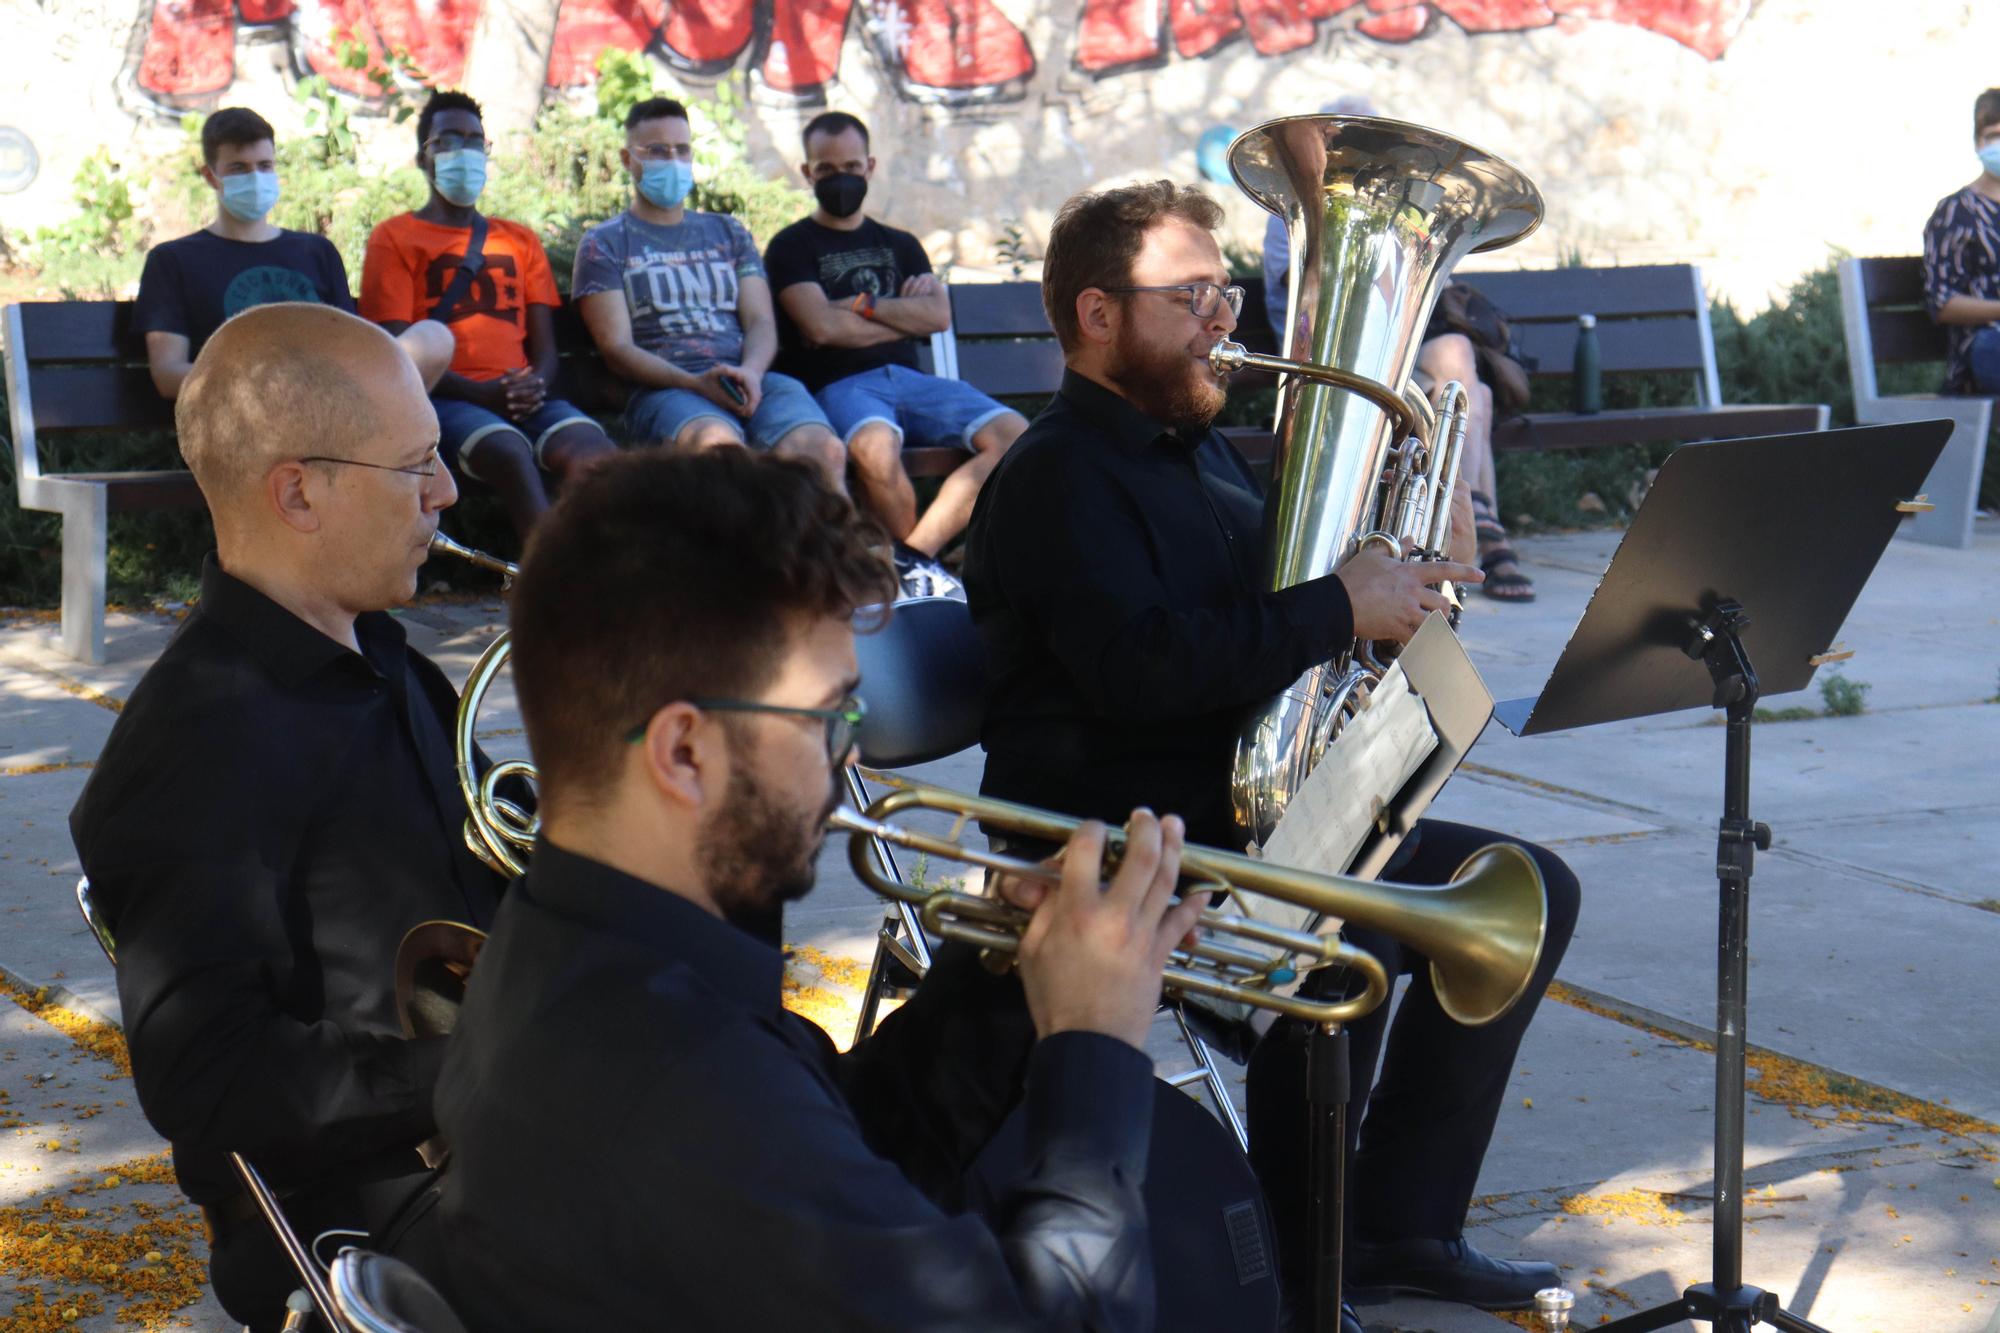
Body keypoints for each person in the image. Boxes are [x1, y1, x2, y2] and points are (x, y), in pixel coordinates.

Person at [963, 179, 1582, 1319]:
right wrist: (1337, 609)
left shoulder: (1194, 453)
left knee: (1526, 888)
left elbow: (1271, 615)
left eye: (1227, 292)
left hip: (1233, 810)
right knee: (1349, 939)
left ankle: (1400, 1227)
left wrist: (1389, 594)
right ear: (1097, 314)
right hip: (1114, 832)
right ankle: (1301, 1278)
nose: (1224, 320)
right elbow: (1138, 669)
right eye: (1191, 295)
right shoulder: (1054, 474)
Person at [428, 447, 1211, 1329]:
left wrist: (1004, 974)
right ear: (684, 751)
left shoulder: (572, 944)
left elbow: (850, 1143)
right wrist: (1095, 1045)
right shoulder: (686, 1083)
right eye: (831, 715)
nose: (852, 750)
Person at [67, 303, 509, 1331]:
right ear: (299, 491)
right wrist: (492, 1068)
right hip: (368, 1214)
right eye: (417, 466)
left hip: (489, 1143)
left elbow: (503, 882)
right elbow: (209, 1080)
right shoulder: (193, 749)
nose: (444, 493)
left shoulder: (385, 658)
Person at [1259, 96, 1533, 603]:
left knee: (1463, 388)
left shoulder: (1398, 204)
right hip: (1326, 344)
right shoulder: (1296, 198)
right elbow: (1329, 285)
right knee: (1459, 373)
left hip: (1386, 344)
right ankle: (1482, 523)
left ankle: (1475, 524)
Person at [764, 110, 1026, 563]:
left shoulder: (901, 244)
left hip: (913, 382)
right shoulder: (791, 246)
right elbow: (819, 326)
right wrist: (898, 315)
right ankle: (926, 567)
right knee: (876, 447)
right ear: (807, 173)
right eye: (826, 169)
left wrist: (860, 306)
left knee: (1015, 435)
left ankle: (913, 560)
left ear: (870, 166)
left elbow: (935, 317)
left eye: (850, 167)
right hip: (840, 387)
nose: (840, 178)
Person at [360, 89, 616, 542]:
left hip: (522, 397)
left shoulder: (518, 239)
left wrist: (535, 383)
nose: (465, 151)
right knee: (508, 450)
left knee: (597, 454)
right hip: (444, 398)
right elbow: (400, 353)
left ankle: (612, 570)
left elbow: (546, 348)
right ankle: (549, 584)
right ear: (424, 158)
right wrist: (485, 395)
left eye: (475, 140)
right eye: (448, 140)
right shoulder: (394, 238)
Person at [571, 97, 846, 492]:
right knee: (722, 458)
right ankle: (757, 556)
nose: (672, 159)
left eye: (682, 149)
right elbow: (616, 349)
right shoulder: (605, 244)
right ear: (628, 159)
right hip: (669, 391)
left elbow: (761, 322)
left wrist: (750, 372)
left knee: (824, 453)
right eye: (657, 150)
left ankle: (843, 554)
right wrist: (695, 383)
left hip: (751, 379)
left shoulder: (728, 233)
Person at [133, 106, 452, 399]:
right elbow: (168, 374)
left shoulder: (317, 252)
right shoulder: (173, 260)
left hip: (328, 401)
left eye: (264, 165)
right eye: (238, 168)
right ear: (210, 176)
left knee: (433, 337)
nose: (255, 178)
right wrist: (266, 380)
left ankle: (392, 445)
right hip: (244, 413)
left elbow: (349, 346)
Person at [1923, 87, 2000, 395]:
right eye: (1993, 135)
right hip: (1985, 347)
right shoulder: (1955, 212)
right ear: (1977, 142)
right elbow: (1942, 303)